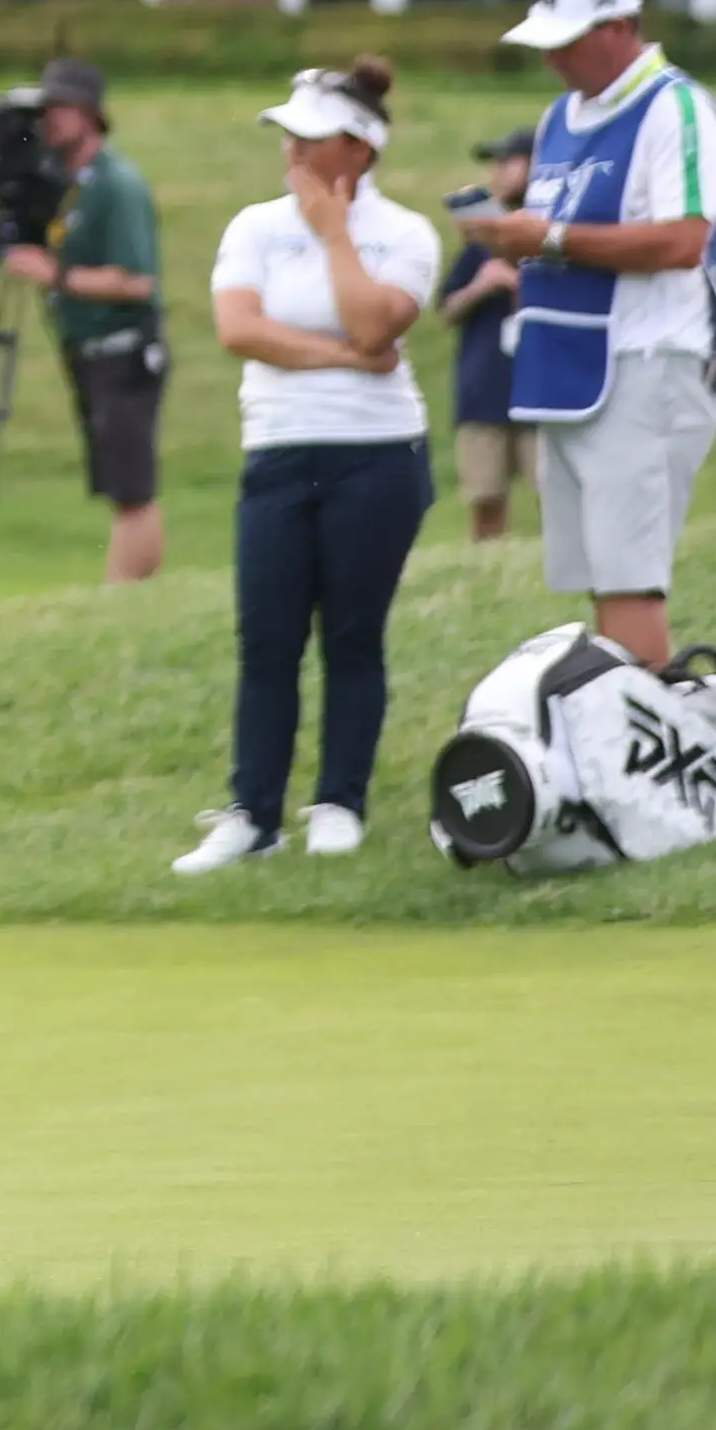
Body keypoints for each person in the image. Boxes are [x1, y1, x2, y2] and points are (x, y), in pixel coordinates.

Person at [178, 60, 442, 873]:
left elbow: (378, 324)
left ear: (358, 151)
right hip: (279, 454)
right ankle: (253, 814)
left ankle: (339, 801)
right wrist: (339, 355)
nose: (290, 149)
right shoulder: (253, 227)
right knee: (267, 638)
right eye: (286, 134)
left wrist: (334, 235)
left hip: (377, 458)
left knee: (352, 636)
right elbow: (241, 331)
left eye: (309, 136)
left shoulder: (405, 235)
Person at [467, 0, 716, 671]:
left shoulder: (676, 107)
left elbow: (685, 239)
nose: (554, 61)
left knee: (630, 584)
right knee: (599, 580)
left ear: (620, 27)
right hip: (568, 370)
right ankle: (621, 738)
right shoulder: (560, 115)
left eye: (568, 43)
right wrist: (515, 237)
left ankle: (646, 757)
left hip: (645, 364)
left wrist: (547, 236)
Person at [0, 59, 164, 580]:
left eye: (62, 107)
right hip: (85, 349)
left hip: (123, 349)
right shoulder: (61, 185)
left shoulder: (117, 184)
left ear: (91, 114)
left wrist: (57, 278)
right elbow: (3, 247)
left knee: (132, 488)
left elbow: (138, 280)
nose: (51, 120)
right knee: (116, 484)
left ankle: (126, 599)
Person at [432, 127, 532, 545]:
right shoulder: (481, 243)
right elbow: (447, 310)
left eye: (508, 161)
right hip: (484, 388)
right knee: (485, 497)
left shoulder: (559, 232)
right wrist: (482, 285)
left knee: (558, 492)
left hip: (542, 390)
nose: (498, 171)